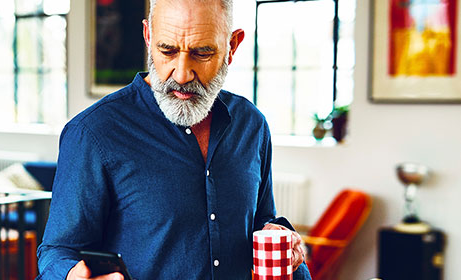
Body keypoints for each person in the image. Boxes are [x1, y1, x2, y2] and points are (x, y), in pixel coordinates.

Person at [36, 0, 311, 279]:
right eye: (167, 50)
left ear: (232, 46)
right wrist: (70, 275)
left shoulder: (251, 125)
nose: (182, 74)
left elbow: (262, 221)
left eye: (202, 53)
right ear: (148, 37)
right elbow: (57, 252)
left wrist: (282, 237)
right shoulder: (93, 133)